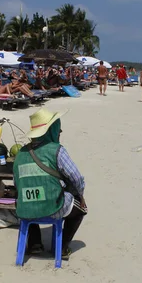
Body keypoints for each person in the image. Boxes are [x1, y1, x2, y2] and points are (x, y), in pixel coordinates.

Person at [13, 108, 86, 260]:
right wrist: (80, 195)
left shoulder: (20, 153)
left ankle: (34, 244)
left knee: (31, 200)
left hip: (24, 207)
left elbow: (17, 183)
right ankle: (62, 247)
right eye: (58, 129)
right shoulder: (57, 150)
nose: (60, 132)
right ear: (50, 130)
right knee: (81, 209)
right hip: (53, 206)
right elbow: (77, 178)